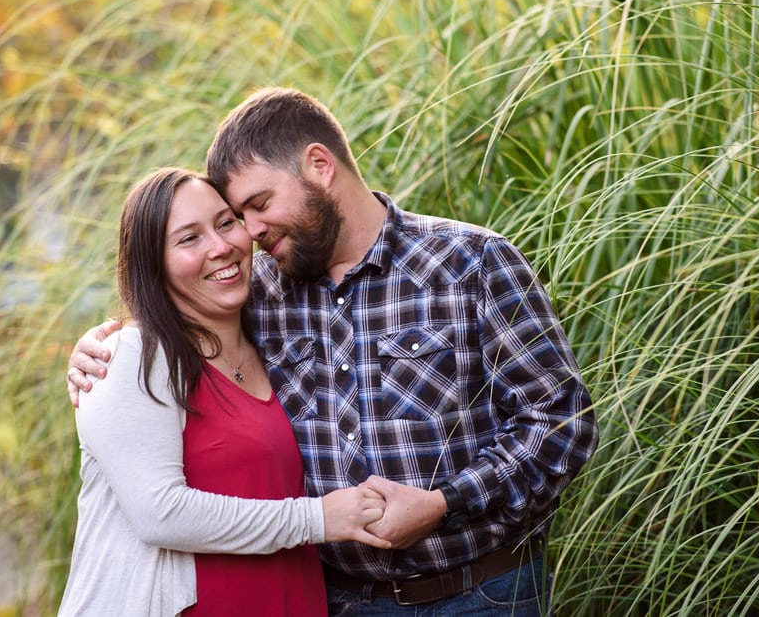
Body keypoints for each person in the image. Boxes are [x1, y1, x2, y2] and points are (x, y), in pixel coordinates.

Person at [68, 88, 598, 615]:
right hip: (342, 601)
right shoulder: (262, 295)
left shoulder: (471, 263)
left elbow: (561, 421)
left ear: (319, 165)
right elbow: (182, 316)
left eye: (258, 206)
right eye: (240, 216)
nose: (248, 234)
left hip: (484, 593)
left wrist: (444, 504)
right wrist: (100, 348)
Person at [58, 167, 390, 617]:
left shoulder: (275, 342)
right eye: (188, 239)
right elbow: (161, 513)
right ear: (152, 264)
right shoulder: (132, 357)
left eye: (225, 222)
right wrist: (318, 519)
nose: (220, 247)